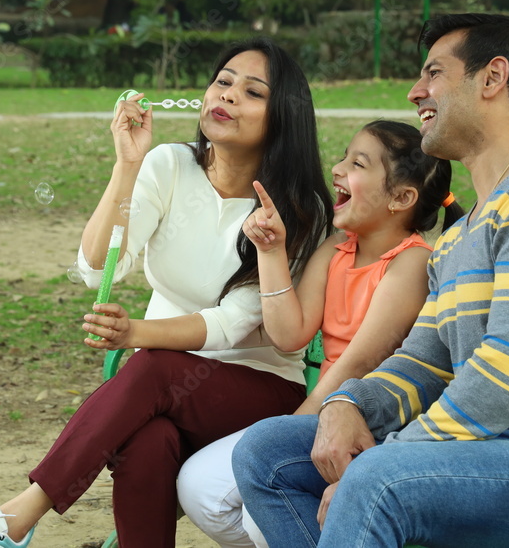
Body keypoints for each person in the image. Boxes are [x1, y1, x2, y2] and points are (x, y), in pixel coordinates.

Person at [232, 13, 509, 548]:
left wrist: (390, 457)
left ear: (492, 78)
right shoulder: (464, 231)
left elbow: (505, 372)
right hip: (497, 454)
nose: (416, 91)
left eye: (434, 74)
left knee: (377, 481)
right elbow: (424, 361)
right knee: (267, 454)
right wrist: (347, 405)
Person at [0, 37, 333, 548]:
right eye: (222, 81)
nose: (227, 96)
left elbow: (232, 324)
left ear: (282, 115)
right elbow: (94, 267)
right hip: (158, 389)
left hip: (256, 389)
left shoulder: (299, 208)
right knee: (148, 438)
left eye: (251, 92)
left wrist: (136, 331)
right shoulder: (169, 166)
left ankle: (18, 516)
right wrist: (127, 166)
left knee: (152, 364)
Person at [176, 120, 465, 547]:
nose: (337, 168)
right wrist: (271, 251)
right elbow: (288, 334)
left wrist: (290, 429)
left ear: (402, 198)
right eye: (344, 156)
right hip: (322, 411)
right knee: (198, 486)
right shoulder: (336, 247)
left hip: (371, 422)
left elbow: (360, 361)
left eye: (357, 163)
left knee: (261, 508)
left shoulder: (411, 263)